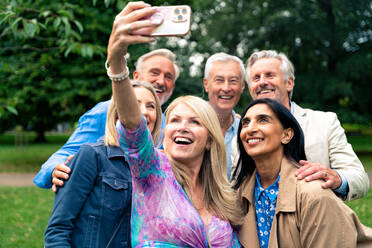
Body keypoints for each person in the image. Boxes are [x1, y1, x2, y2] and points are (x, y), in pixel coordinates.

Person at [107, 3, 243, 246]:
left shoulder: (222, 193)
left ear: (210, 139)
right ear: (166, 131)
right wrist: (117, 61)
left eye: (194, 122)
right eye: (175, 120)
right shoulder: (152, 170)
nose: (182, 127)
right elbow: (132, 125)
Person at [34, 46, 179, 190]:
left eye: (168, 77)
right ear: (136, 76)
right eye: (155, 73)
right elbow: (67, 152)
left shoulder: (169, 123)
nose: (161, 81)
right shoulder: (106, 110)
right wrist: (55, 168)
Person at [234, 98, 372, 248]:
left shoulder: (314, 195)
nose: (250, 128)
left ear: (286, 135)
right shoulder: (241, 193)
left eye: (263, 120)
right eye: (245, 123)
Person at [44, 80, 162, 247]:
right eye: (134, 104)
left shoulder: (160, 168)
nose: (143, 111)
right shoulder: (92, 156)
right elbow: (57, 230)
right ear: (116, 114)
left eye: (151, 106)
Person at [240, 50, 369, 201]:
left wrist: (337, 178)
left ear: (289, 83)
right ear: (250, 88)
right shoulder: (244, 131)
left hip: (316, 219)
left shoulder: (325, 122)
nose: (262, 82)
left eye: (270, 75)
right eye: (256, 78)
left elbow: (360, 178)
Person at [203, 52, 245, 180]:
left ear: (242, 86)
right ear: (206, 84)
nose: (226, 88)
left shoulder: (246, 131)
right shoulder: (188, 126)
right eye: (219, 80)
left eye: (233, 81)